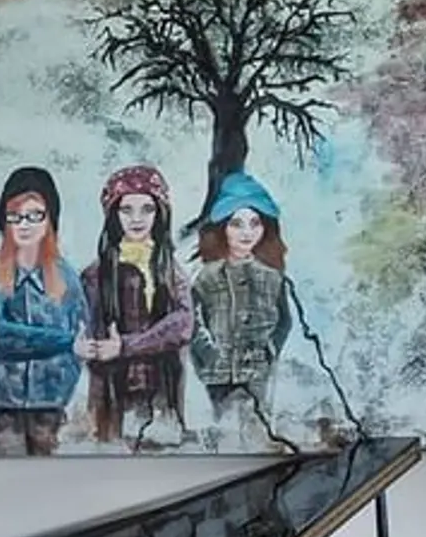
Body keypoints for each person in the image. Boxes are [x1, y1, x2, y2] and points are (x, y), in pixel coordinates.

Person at [0, 164, 84, 455]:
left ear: (49, 219)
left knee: (46, 475)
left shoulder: (66, 278)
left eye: (34, 216)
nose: (24, 225)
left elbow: (80, 331)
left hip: (50, 401)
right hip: (4, 401)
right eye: (15, 217)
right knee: (10, 469)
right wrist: (60, 342)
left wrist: (64, 373)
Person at [76, 161, 195, 447]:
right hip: (110, 391)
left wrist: (127, 346)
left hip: (161, 388)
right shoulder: (95, 274)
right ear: (114, 215)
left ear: (160, 213)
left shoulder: (168, 269)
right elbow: (83, 326)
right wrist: (82, 345)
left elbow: (183, 323)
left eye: (147, 209)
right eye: (126, 209)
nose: (137, 219)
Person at [187, 169, 294, 447]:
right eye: (237, 224)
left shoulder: (272, 277)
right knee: (222, 430)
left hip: (257, 368)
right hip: (218, 371)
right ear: (223, 227)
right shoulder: (206, 277)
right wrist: (208, 354)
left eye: (254, 223)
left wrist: (270, 350)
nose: (247, 233)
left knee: (257, 428)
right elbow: (193, 320)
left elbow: (285, 321)